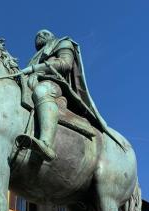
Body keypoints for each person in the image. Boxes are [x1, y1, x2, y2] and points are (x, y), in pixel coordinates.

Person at [17, 29, 122, 161]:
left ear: (52, 37)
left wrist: (34, 69)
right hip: (31, 82)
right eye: (38, 35)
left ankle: (46, 143)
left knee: (42, 92)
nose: (40, 35)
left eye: (45, 33)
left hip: (53, 83)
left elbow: (65, 64)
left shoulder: (63, 43)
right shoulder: (35, 57)